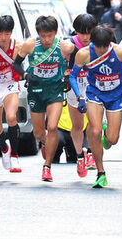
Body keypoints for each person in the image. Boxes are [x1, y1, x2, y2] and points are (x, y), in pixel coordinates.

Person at [13, 16, 76, 183]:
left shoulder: (65, 46)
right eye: (43, 36)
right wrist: (26, 75)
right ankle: (45, 142)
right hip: (36, 91)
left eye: (50, 35)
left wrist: (68, 74)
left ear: (55, 33)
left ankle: (47, 166)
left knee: (53, 126)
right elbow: (16, 64)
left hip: (54, 90)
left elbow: (76, 56)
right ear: (38, 34)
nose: (47, 40)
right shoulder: (30, 45)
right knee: (39, 133)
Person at [69, 25, 122, 187]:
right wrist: (79, 96)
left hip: (116, 95)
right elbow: (73, 77)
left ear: (109, 43)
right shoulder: (83, 54)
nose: (101, 50)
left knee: (112, 139)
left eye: (104, 47)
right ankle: (101, 172)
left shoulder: (120, 52)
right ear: (92, 43)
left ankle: (106, 135)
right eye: (98, 47)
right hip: (95, 93)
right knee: (94, 130)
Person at [0, 15, 23, 173]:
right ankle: (4, 148)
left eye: (6, 34)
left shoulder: (17, 46)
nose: (3, 38)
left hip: (10, 84)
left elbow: (18, 66)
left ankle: (14, 155)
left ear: (11, 33)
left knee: (11, 117)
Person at [65, 13, 97, 177]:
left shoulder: (100, 43)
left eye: (89, 32)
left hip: (93, 86)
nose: (85, 37)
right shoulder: (69, 45)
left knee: (93, 122)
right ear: (75, 32)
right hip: (75, 86)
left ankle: (90, 153)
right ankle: (79, 156)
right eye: (81, 32)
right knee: (77, 126)